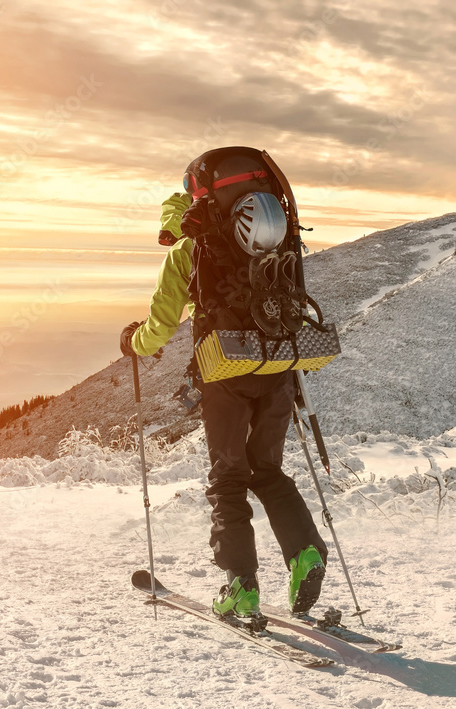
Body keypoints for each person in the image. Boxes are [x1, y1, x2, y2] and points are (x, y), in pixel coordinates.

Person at [120, 184, 328, 619]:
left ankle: (241, 586)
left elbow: (159, 328)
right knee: (268, 471)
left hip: (226, 373)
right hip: (278, 368)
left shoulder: (189, 252)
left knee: (228, 477)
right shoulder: (276, 238)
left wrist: (133, 342)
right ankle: (306, 554)